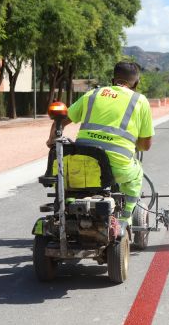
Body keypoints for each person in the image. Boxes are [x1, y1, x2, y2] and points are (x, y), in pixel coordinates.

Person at [46, 61, 154, 225]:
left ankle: (66, 209)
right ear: (136, 84)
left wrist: (50, 140)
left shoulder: (93, 94)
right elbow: (146, 145)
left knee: (70, 178)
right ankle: (125, 218)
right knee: (136, 174)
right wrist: (130, 144)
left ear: (112, 80)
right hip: (118, 166)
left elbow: (59, 123)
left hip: (84, 159)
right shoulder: (140, 101)